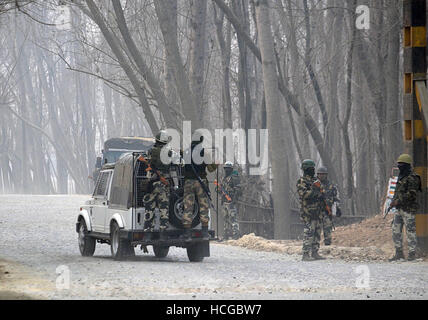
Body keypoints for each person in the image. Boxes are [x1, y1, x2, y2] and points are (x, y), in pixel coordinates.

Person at [182, 135, 218, 241]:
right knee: (203, 206)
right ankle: (205, 232)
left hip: (188, 182)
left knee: (188, 206)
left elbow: (181, 166)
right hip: (201, 182)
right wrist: (216, 164)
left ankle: (187, 233)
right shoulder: (204, 153)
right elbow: (211, 169)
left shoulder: (186, 152)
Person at [388, 154, 422, 261]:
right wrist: (393, 201)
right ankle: (399, 253)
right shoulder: (401, 177)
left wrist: (398, 200)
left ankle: (412, 253)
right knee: (395, 230)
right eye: (398, 164)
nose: (399, 166)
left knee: (410, 231)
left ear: (407, 165)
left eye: (401, 164)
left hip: (408, 209)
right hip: (399, 209)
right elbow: (397, 192)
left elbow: (412, 194)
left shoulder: (413, 178)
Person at [142, 130, 171, 239]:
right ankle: (163, 234)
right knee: (164, 210)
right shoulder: (169, 153)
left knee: (149, 209)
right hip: (163, 185)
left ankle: (147, 234)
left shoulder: (150, 151)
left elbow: (147, 162)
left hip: (151, 184)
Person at [296, 159, 325, 261]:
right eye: (310, 169)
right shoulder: (302, 181)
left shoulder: (316, 181)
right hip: (308, 211)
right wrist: (314, 191)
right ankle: (305, 254)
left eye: (313, 168)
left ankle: (315, 252)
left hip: (318, 211)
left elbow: (322, 192)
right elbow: (303, 194)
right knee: (309, 232)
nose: (312, 170)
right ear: (306, 170)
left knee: (317, 232)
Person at [217, 161, 242, 240]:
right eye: (225, 168)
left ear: (231, 169)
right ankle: (226, 235)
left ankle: (236, 235)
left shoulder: (234, 177)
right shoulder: (224, 178)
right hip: (224, 201)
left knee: (233, 218)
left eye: (228, 168)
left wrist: (234, 199)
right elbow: (220, 189)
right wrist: (219, 189)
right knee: (225, 219)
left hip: (231, 201)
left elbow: (238, 190)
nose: (226, 170)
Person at [316, 166, 340, 246]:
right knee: (316, 230)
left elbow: (336, 199)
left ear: (326, 175)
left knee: (327, 230)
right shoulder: (314, 185)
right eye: (320, 174)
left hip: (327, 211)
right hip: (316, 211)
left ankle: (328, 247)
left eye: (323, 174)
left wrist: (335, 210)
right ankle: (315, 248)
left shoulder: (332, 186)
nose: (321, 176)